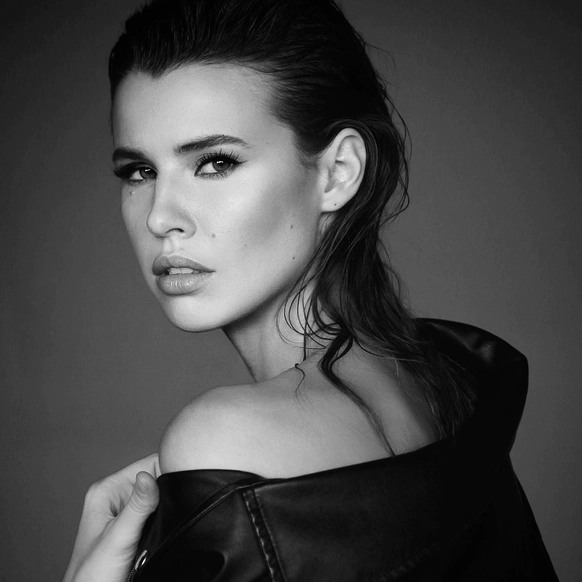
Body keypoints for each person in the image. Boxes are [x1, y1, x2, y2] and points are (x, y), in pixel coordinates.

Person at [63, 0, 558, 580]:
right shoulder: (437, 379)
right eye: (139, 172)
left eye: (215, 163)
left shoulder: (226, 441)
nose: (159, 217)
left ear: (338, 171)